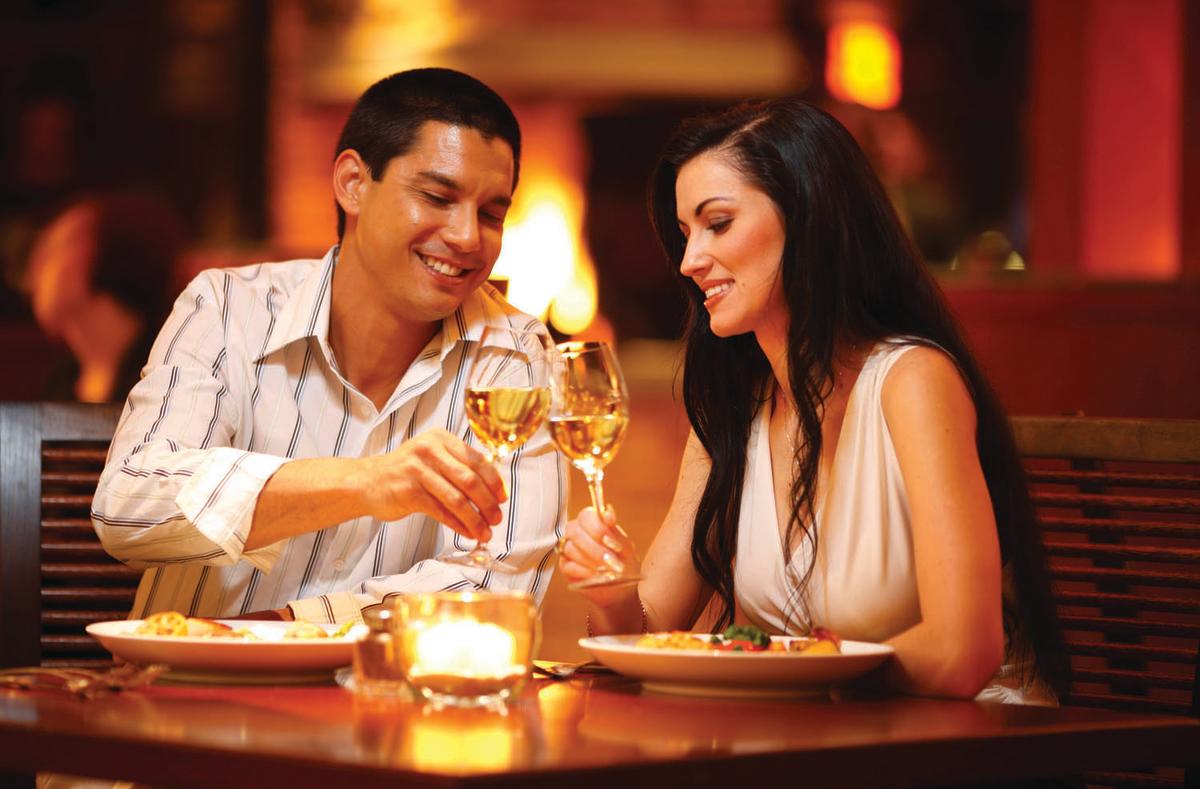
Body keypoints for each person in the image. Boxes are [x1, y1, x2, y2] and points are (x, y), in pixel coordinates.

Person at [558, 100, 1071, 708]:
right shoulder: (733, 412)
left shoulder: (912, 381)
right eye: (683, 234)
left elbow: (963, 652)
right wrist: (614, 591)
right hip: (819, 750)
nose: (690, 260)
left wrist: (797, 673)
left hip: (966, 760)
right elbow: (642, 638)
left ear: (808, 220)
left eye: (717, 223)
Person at [91, 68, 564, 625]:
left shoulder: (514, 355)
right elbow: (126, 508)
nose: (467, 237)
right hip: (182, 693)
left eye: (491, 213)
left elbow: (499, 587)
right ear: (353, 183)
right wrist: (363, 482)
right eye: (438, 197)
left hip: (389, 702)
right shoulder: (226, 308)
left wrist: (281, 631)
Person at [24, 191, 182, 402]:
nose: (36, 266)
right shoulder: (60, 382)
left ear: (111, 254)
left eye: (58, 246)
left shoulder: (170, 370)